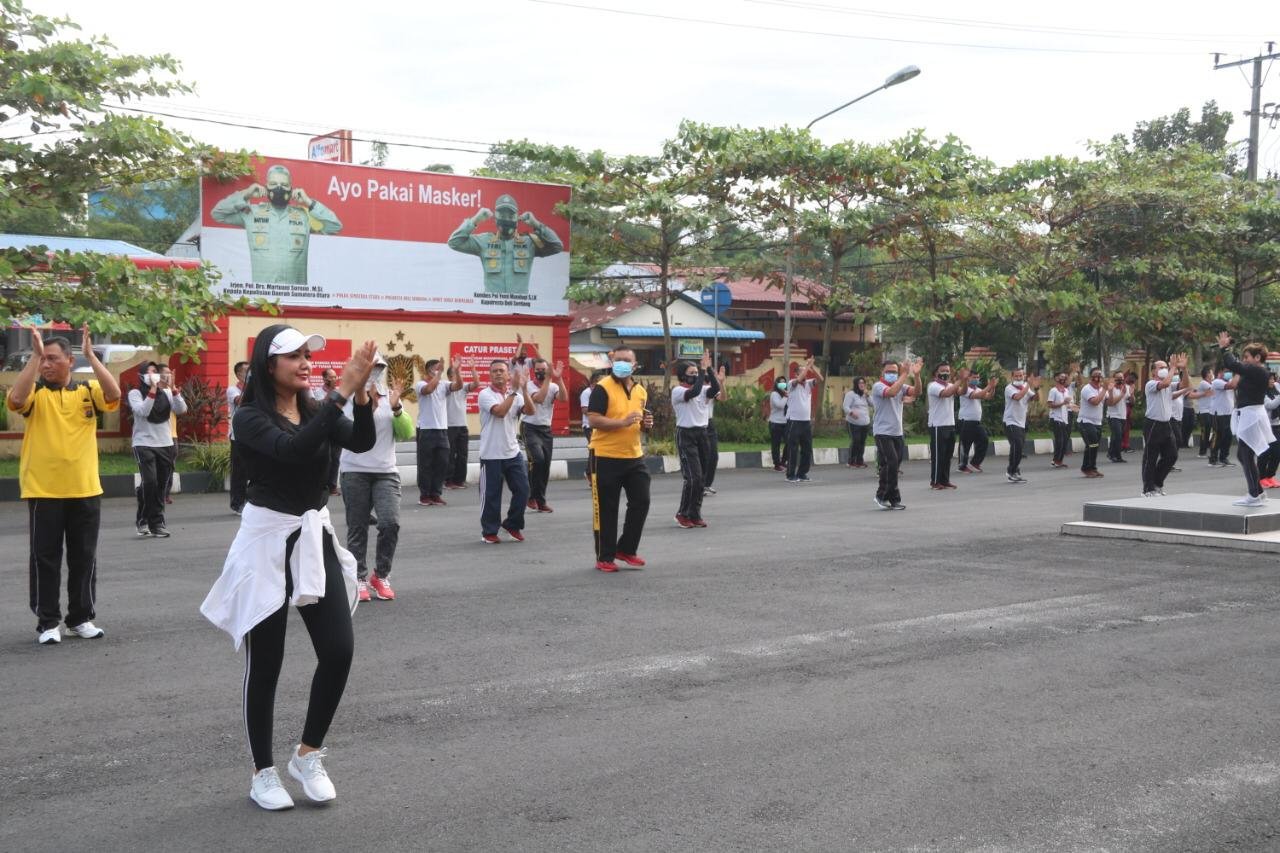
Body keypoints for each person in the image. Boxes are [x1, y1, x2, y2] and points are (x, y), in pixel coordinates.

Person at [200, 325, 377, 811]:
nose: (303, 363)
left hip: (312, 533)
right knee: (268, 663)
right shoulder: (250, 416)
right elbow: (292, 450)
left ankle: (308, 754)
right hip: (266, 540)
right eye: (292, 356)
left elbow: (359, 442)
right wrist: (341, 389)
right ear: (267, 365)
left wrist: (360, 394)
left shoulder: (316, 408)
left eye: (306, 355)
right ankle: (263, 772)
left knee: (339, 650)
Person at [9, 325, 120, 645]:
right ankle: (48, 622)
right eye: (43, 359)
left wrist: (91, 357)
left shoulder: (87, 391)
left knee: (84, 557)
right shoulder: (35, 393)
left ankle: (80, 618)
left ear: (69, 361)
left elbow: (113, 395)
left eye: (52, 358)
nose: (46, 364)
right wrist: (33, 355)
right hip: (44, 491)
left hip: (84, 488)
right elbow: (16, 399)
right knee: (45, 558)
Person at [340, 367, 413, 603]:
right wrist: (365, 408)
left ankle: (380, 575)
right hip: (355, 470)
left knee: (390, 523)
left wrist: (396, 407)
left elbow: (405, 433)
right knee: (358, 527)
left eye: (378, 369)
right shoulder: (348, 397)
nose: (374, 374)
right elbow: (345, 431)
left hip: (385, 471)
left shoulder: (390, 396)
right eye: (370, 369)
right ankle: (358, 578)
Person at [210, 165, 342, 285]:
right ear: (266, 187)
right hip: (263, 297)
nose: (279, 188)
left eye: (284, 184)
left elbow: (334, 226)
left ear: (291, 188)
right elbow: (218, 214)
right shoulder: (252, 212)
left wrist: (309, 202)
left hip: (295, 297)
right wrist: (246, 194)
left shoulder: (304, 215)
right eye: (273, 183)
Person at [586, 348, 653, 572]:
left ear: (635, 365)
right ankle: (604, 557)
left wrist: (645, 424)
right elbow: (594, 420)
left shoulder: (640, 391)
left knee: (641, 501)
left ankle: (626, 549)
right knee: (607, 508)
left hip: (634, 456)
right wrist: (622, 423)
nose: (622, 363)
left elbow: (639, 420)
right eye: (618, 360)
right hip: (605, 455)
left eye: (627, 360)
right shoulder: (602, 388)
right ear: (612, 362)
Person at [447, 194, 564, 295]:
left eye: (510, 215)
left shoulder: (529, 242)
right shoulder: (484, 241)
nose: (506, 219)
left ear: (517, 217)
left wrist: (536, 224)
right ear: (495, 218)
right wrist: (475, 220)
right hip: (491, 310)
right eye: (502, 215)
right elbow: (454, 243)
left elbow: (557, 247)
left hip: (520, 310)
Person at [476, 360, 534, 543]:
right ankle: (489, 531)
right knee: (491, 495)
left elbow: (531, 411)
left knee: (523, 490)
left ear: (508, 374)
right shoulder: (485, 394)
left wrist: (523, 390)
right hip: (491, 454)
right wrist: (515, 391)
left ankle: (512, 524)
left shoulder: (515, 394)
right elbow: (500, 412)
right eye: (494, 371)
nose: (498, 374)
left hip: (512, 452)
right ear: (490, 374)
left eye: (502, 370)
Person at [129, 360, 187, 538]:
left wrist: (174, 388)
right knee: (150, 482)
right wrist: (153, 390)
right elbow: (143, 411)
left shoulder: (168, 393)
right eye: (149, 371)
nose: (153, 374)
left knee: (160, 486)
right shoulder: (135, 393)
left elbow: (182, 409)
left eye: (155, 371)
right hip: (144, 443)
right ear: (142, 375)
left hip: (165, 444)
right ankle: (156, 522)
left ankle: (146, 519)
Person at [1216, 332, 1273, 506]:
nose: (1245, 360)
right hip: (1250, 414)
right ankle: (1258, 492)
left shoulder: (1257, 370)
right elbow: (1236, 368)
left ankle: (1254, 494)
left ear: (1257, 357)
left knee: (1244, 454)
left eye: (1247, 357)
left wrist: (1225, 348)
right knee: (1244, 455)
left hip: (1251, 414)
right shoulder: (1255, 371)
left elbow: (1232, 364)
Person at [671, 353, 719, 526]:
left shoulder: (703, 389)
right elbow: (695, 391)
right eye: (691, 373)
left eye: (696, 373)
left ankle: (695, 514)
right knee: (693, 477)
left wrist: (710, 370)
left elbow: (714, 389)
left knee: (702, 478)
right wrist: (701, 369)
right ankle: (683, 514)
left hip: (702, 434)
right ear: (683, 375)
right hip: (686, 434)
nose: (695, 375)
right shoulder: (678, 391)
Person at [871, 358, 922, 509]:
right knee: (891, 463)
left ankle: (883, 496)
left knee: (892, 465)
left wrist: (917, 376)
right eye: (889, 372)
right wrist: (904, 374)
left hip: (897, 432)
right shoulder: (878, 386)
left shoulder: (901, 384)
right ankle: (891, 498)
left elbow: (916, 392)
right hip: (882, 432)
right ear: (882, 372)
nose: (892, 374)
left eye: (894, 371)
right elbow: (892, 392)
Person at [1140, 354, 1188, 497]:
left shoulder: (1169, 384)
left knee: (1172, 455)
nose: (1164, 370)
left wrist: (1184, 369)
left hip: (1166, 424)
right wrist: (1173, 367)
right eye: (1161, 368)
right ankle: (1148, 489)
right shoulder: (1150, 384)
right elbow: (1165, 384)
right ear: (1153, 372)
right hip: (1153, 424)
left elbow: (1184, 384)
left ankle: (1157, 483)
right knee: (1151, 458)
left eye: (1165, 367)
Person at [523, 358, 564, 512]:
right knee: (537, 460)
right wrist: (548, 378)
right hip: (530, 427)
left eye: (544, 369)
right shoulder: (528, 385)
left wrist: (558, 379)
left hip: (546, 429)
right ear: (534, 370)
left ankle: (540, 501)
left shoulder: (553, 386)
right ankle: (530, 496)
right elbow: (539, 399)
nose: (541, 372)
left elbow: (564, 398)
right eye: (538, 369)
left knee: (545, 465)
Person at [414, 357, 456, 506]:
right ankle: (424, 495)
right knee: (425, 465)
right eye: (436, 368)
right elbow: (429, 390)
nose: (439, 371)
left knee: (442, 463)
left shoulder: (444, 384)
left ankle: (436, 494)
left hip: (442, 431)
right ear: (429, 370)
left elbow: (458, 386)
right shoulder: (420, 384)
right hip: (426, 430)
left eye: (440, 368)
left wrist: (457, 370)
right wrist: (439, 374)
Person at [925, 363, 964, 489]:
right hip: (937, 425)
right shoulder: (933, 386)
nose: (946, 373)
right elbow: (946, 393)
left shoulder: (952, 385)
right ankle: (935, 481)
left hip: (950, 424)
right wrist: (960, 380)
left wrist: (965, 381)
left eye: (947, 370)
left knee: (948, 455)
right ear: (936, 373)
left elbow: (961, 392)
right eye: (943, 370)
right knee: (938, 455)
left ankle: (945, 480)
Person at [786, 356, 823, 483]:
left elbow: (820, 379)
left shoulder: (808, 384)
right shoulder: (792, 383)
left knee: (807, 449)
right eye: (801, 371)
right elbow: (800, 379)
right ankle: (790, 474)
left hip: (806, 421)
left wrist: (812, 367)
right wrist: (807, 366)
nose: (805, 373)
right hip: (794, 421)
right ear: (796, 373)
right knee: (793, 449)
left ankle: (802, 473)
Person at [1002, 368, 1041, 484]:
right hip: (1010, 421)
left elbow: (1035, 399)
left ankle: (1015, 470)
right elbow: (1018, 397)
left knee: (1019, 448)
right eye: (1016, 376)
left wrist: (1037, 388)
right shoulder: (1009, 388)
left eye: (1021, 376)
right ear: (1012, 377)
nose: (1019, 378)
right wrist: (1028, 385)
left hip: (1021, 422)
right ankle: (1011, 471)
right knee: (1016, 446)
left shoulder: (1025, 386)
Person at [445, 361, 478, 489]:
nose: (458, 375)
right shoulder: (446, 387)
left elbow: (476, 384)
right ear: (449, 377)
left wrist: (473, 368)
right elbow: (456, 384)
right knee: (450, 454)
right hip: (449, 426)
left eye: (459, 372)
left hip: (462, 425)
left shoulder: (464, 388)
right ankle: (448, 480)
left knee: (462, 454)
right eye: (455, 373)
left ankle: (459, 480)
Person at [956, 373, 998, 473]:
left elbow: (988, 396)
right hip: (965, 421)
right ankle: (962, 466)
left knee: (983, 440)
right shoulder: (965, 389)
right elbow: (976, 396)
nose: (976, 379)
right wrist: (989, 386)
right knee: (965, 444)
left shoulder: (978, 388)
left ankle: (975, 463)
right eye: (974, 377)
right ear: (968, 378)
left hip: (976, 422)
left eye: (978, 377)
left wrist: (993, 388)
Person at [311, 368, 342, 496]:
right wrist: (330, 391)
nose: (334, 379)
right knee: (325, 458)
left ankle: (332, 486)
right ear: (324, 379)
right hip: (323, 429)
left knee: (335, 459)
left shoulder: (339, 392)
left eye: (335, 377)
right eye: (331, 377)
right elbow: (321, 406)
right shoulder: (316, 392)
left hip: (337, 428)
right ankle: (322, 485)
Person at [1076, 368, 1109, 479]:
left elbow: (1111, 402)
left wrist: (1111, 390)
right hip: (1086, 421)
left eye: (1100, 375)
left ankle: (1091, 468)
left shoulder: (1102, 389)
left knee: (1093, 445)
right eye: (1096, 375)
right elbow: (1095, 402)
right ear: (1091, 377)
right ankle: (1087, 468)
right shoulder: (1087, 389)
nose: (1098, 377)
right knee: (1093, 444)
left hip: (1097, 422)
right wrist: (1104, 389)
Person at [228, 360, 249, 514]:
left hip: (255, 436)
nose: (249, 374)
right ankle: (237, 503)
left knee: (254, 471)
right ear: (238, 374)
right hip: (238, 436)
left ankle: (251, 501)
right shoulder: (232, 390)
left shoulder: (257, 389)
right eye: (246, 371)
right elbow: (240, 401)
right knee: (239, 472)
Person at [704, 364, 727, 496]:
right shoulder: (694, 388)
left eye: (712, 372)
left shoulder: (711, 389)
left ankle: (707, 484)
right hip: (696, 426)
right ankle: (698, 485)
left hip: (709, 424)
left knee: (713, 456)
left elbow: (723, 398)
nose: (711, 374)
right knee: (702, 457)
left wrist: (721, 383)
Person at [1210, 365, 1238, 467]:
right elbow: (1231, 386)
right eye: (1226, 371)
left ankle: (1223, 458)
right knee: (1218, 436)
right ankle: (1213, 459)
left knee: (1228, 437)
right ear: (1220, 372)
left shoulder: (1229, 381)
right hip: (1219, 414)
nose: (1228, 373)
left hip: (1228, 413)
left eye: (1230, 371)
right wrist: (1238, 372)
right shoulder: (1217, 382)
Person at [1046, 372, 1075, 469]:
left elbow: (1067, 404)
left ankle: (1059, 460)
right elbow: (1050, 405)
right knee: (1060, 440)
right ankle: (1056, 460)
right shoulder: (1053, 390)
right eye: (1060, 377)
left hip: (1064, 418)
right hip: (1056, 418)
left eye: (1064, 377)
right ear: (1056, 378)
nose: (1063, 378)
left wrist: (1074, 407)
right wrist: (1063, 403)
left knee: (1064, 440)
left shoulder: (1066, 390)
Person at [843, 377, 871, 469]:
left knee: (862, 442)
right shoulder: (851, 394)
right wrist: (851, 413)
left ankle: (859, 461)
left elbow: (874, 404)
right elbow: (845, 406)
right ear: (856, 384)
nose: (862, 384)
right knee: (856, 441)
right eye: (860, 383)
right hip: (853, 422)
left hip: (865, 423)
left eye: (863, 383)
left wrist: (868, 395)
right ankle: (851, 461)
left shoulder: (865, 395)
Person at [1259, 374, 1280, 489]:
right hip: (1266, 427)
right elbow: (1270, 405)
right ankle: (1261, 478)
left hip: (1276, 426)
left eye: (1273, 379)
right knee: (1265, 453)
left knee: (1277, 453)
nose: (1272, 381)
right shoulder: (1262, 393)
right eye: (1269, 379)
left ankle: (1270, 476)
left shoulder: (1276, 390)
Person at [1105, 370, 1130, 464]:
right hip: (1113, 415)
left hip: (1123, 416)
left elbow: (1130, 401)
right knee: (1118, 435)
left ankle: (1111, 453)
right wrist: (1122, 394)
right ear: (1114, 379)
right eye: (1118, 378)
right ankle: (1117, 456)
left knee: (1116, 436)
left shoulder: (1125, 387)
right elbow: (1111, 403)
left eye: (1122, 378)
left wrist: (1131, 394)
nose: (1120, 380)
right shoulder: (1110, 389)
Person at [768, 378, 789, 472]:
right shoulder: (774, 394)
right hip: (775, 423)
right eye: (780, 382)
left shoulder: (787, 394)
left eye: (784, 382)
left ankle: (783, 461)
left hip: (785, 422)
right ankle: (777, 464)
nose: (783, 383)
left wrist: (787, 395)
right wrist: (786, 396)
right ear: (776, 384)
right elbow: (780, 405)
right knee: (776, 444)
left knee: (789, 442)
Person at [1196, 367, 1216, 457]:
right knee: (1205, 432)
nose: (1212, 374)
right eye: (1211, 373)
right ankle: (1202, 452)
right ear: (1207, 374)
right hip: (1204, 412)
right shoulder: (1203, 383)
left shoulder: (1210, 383)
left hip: (1210, 411)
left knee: (1214, 430)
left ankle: (1207, 446)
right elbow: (1214, 390)